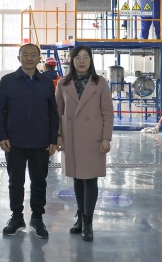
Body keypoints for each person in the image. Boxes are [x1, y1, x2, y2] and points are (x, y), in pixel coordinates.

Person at [0, 43, 59, 239]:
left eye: (33, 55)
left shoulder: (46, 82)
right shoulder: (7, 81)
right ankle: (16, 217)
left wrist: (53, 138)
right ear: (19, 58)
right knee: (15, 182)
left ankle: (37, 218)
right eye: (25, 55)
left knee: (39, 181)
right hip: (14, 142)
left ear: (39, 59)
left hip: (40, 142)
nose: (29, 58)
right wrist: (2, 136)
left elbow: (53, 113)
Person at [55, 45, 113, 242]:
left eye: (85, 57)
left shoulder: (100, 83)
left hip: (93, 138)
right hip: (70, 137)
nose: (81, 61)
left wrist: (106, 137)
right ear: (72, 61)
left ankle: (88, 222)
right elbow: (58, 112)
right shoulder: (63, 83)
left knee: (90, 180)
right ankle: (80, 217)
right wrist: (58, 135)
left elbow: (107, 112)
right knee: (77, 179)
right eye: (78, 57)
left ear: (91, 60)